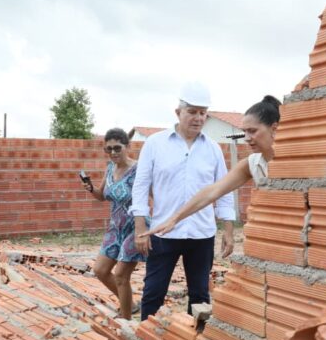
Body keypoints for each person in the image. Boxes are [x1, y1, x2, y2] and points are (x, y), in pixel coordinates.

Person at [130, 82, 236, 321]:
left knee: (200, 295)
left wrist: (229, 231)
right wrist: (140, 227)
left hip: (202, 234)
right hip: (163, 233)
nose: (198, 118)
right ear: (178, 112)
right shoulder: (155, 144)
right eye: (192, 112)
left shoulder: (213, 150)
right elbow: (140, 187)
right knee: (153, 292)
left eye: (202, 112)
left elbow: (224, 190)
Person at [141, 95, 280, 238]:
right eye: (244, 131)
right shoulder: (252, 164)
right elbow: (213, 191)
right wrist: (174, 219)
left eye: (252, 131)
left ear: (274, 129)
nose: (246, 137)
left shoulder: (299, 161)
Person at [83, 128, 145, 319]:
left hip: (135, 227)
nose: (113, 153)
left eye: (117, 148)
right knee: (100, 271)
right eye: (108, 149)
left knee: (120, 276)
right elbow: (102, 196)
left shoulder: (138, 169)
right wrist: (91, 188)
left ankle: (125, 321)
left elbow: (152, 197)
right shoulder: (110, 168)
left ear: (128, 146)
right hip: (115, 228)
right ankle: (130, 304)